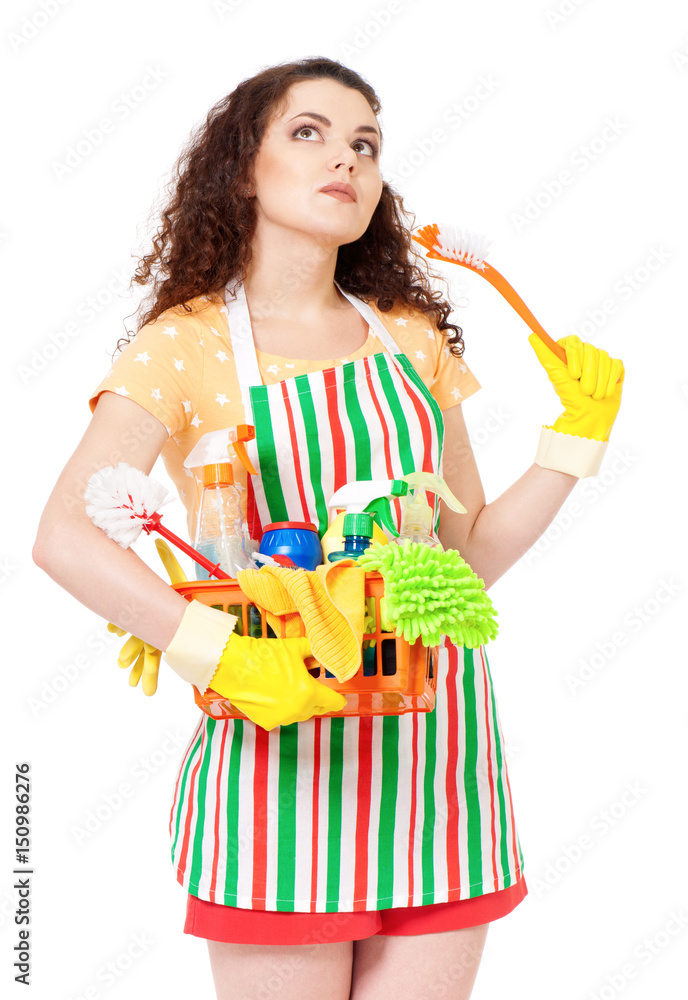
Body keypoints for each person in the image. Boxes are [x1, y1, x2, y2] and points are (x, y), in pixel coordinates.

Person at [33, 56, 624, 1000]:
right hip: (282, 762)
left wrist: (571, 448)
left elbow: (461, 560)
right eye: (308, 132)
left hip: (437, 765)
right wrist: (223, 657)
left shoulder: (411, 337)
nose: (345, 157)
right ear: (241, 168)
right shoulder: (181, 345)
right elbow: (64, 535)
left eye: (366, 143)